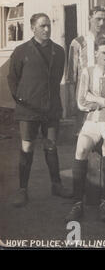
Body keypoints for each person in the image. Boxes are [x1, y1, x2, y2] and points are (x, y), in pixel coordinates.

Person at [8, 13, 72, 207]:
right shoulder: (20, 51)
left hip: (50, 108)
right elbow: (12, 78)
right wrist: (21, 99)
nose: (46, 29)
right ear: (32, 28)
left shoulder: (59, 51)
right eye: (42, 26)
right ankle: (22, 190)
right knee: (27, 147)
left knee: (51, 146)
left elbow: (56, 78)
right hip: (28, 109)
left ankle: (56, 185)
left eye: (48, 26)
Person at [65, 37, 105, 223]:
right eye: (103, 52)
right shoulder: (87, 72)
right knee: (81, 147)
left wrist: (98, 100)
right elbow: (81, 102)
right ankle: (77, 203)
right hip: (92, 121)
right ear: (96, 54)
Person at [66, 6, 105, 134]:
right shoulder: (78, 43)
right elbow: (71, 74)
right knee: (84, 134)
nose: (101, 23)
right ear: (89, 19)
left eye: (104, 19)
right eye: (98, 19)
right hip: (85, 94)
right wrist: (72, 101)